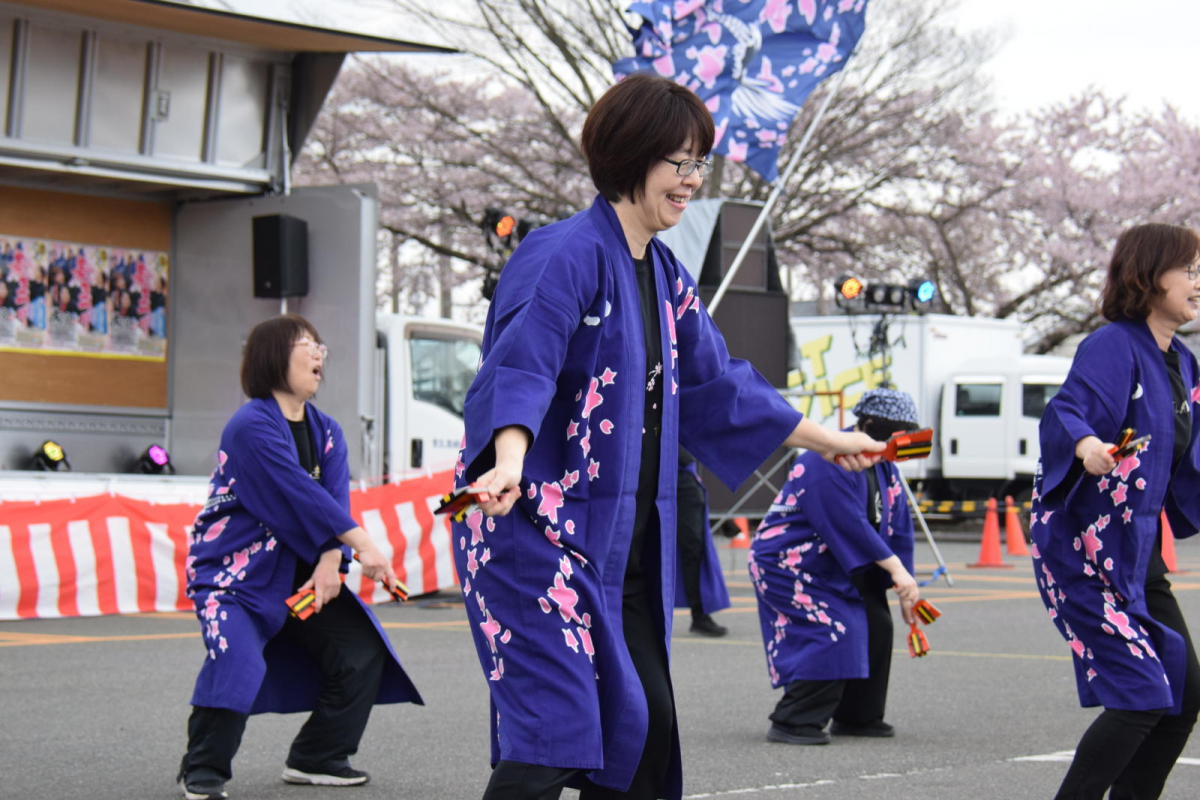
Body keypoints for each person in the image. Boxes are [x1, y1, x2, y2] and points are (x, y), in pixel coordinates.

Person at [449, 72, 884, 800]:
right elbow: (522, 365)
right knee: (558, 735)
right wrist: (509, 461)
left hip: (624, 548)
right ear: (630, 156)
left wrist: (829, 440)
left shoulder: (664, 273)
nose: (691, 181)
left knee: (641, 736)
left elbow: (719, 385)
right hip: (537, 533)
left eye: (699, 164)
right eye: (677, 163)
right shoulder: (563, 254)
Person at [177, 314, 422, 800]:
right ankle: (203, 769)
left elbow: (332, 502)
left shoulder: (327, 431)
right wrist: (365, 547)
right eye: (305, 343)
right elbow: (297, 496)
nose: (318, 353)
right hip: (237, 579)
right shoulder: (250, 426)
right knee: (238, 661)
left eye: (319, 345)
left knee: (360, 653)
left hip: (301, 580)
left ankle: (317, 755)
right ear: (273, 355)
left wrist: (333, 562)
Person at [1030, 223, 1200, 799]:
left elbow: (1190, 462)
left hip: (1137, 554)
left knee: (1183, 690)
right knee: (1142, 691)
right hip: (1082, 551)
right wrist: (1085, 445)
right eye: (1192, 271)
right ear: (1150, 277)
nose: (1199, 283)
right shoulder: (1112, 345)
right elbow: (1065, 411)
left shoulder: (1184, 363)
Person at [748, 389, 921, 745]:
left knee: (877, 623)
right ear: (868, 425)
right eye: (891, 432)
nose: (897, 441)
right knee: (835, 628)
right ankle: (793, 720)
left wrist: (905, 585)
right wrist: (896, 570)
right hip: (790, 562)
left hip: (839, 561)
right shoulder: (825, 458)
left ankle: (859, 716)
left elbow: (898, 528)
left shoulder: (886, 468)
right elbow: (845, 521)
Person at [675, 448, 730, 636]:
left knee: (693, 550)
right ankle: (699, 615)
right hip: (673, 471)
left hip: (679, 471)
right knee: (692, 550)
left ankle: (699, 615)